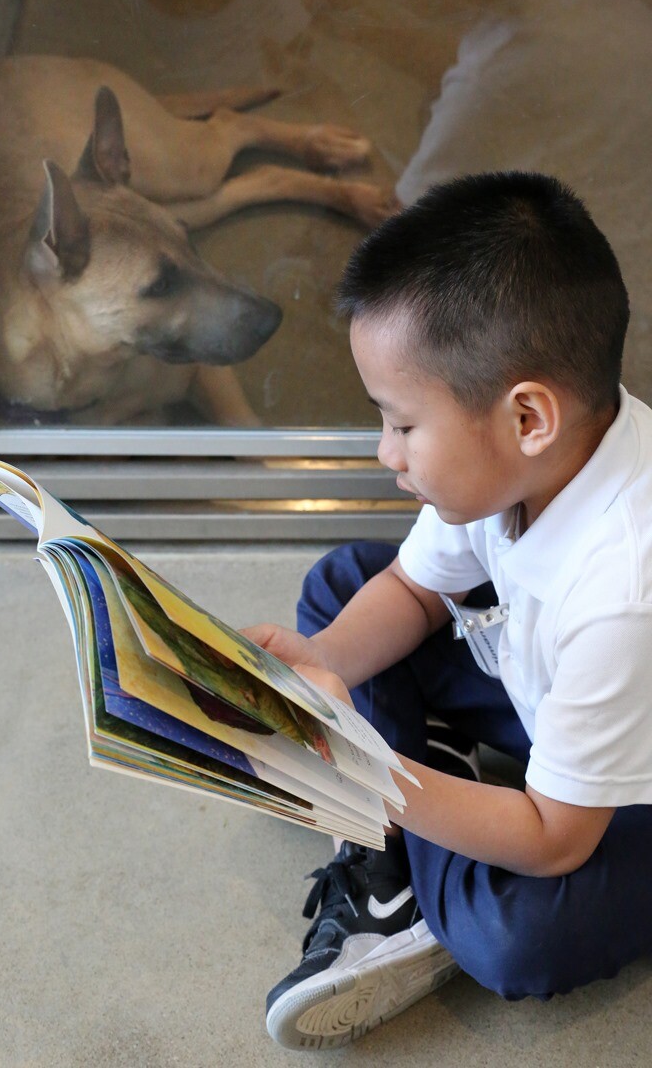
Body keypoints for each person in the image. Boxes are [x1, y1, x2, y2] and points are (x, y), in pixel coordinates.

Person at [243, 171, 652, 1050]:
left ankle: (397, 880)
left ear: (527, 417)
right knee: (349, 585)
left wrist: (367, 772)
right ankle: (418, 846)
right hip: (554, 701)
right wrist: (321, 668)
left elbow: (551, 841)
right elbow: (414, 588)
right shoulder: (527, 463)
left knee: (518, 938)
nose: (384, 451)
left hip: (624, 793)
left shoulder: (623, 593)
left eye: (401, 424)